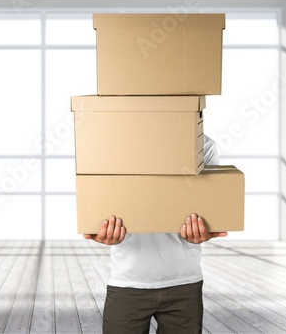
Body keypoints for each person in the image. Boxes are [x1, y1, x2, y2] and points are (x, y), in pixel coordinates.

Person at [83, 135, 227, 334]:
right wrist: (102, 230)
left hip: (184, 283)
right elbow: (97, 202)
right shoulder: (112, 140)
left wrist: (205, 232)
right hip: (127, 282)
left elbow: (210, 209)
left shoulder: (202, 143)